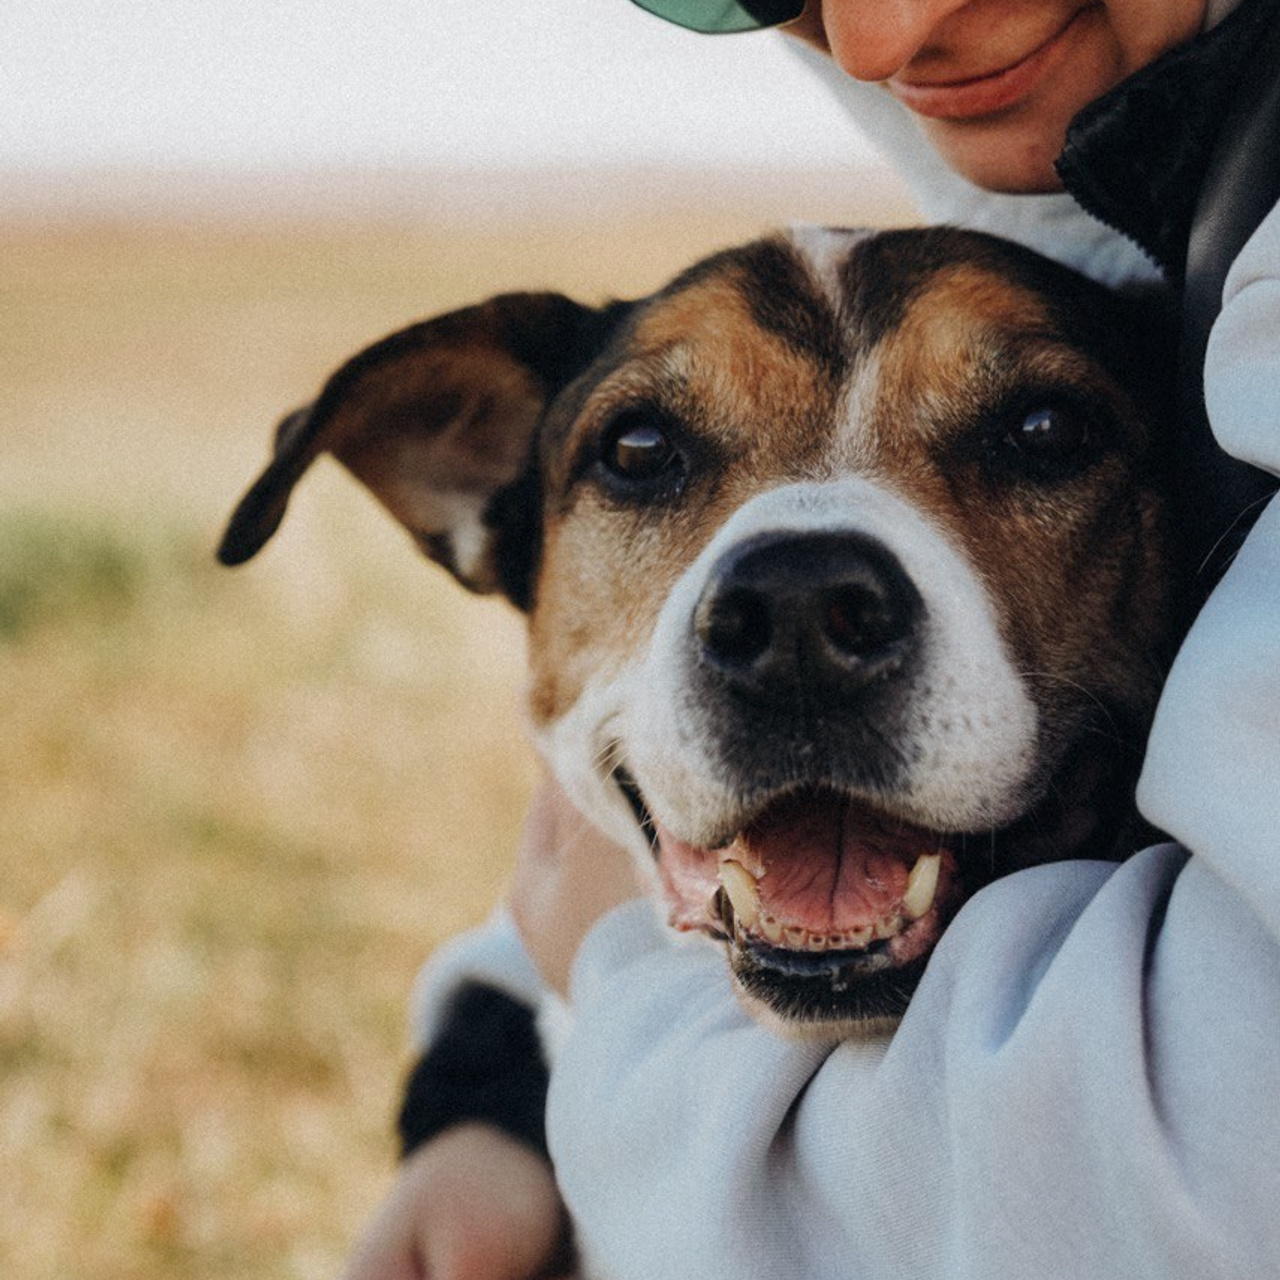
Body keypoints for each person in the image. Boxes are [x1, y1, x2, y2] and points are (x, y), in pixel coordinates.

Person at [342, 2, 1280, 1277]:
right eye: (646, 456)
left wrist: (617, 997)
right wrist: (496, 1081)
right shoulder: (1090, 161)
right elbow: (584, 853)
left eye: (1035, 438)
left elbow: (1204, 1162)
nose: (880, 34)